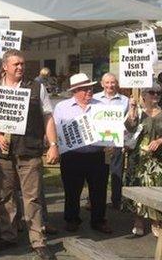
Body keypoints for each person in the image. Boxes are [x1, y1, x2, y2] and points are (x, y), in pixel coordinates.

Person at [0, 49, 59, 260]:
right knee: (5, 196)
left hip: (29, 150)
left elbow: (47, 117)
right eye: (16, 64)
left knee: (32, 198)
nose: (20, 67)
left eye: (22, 64)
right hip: (3, 152)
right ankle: (8, 235)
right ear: (5, 66)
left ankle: (38, 241)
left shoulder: (36, 87)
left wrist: (53, 144)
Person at [53, 73, 113, 235]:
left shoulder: (102, 106)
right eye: (85, 89)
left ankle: (98, 220)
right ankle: (72, 219)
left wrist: (112, 143)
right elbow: (55, 130)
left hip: (97, 155)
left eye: (90, 88)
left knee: (99, 190)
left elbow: (111, 129)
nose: (89, 92)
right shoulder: (61, 107)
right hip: (72, 156)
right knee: (72, 190)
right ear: (75, 91)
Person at [124, 84, 162, 237]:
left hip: (157, 160)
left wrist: (159, 141)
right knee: (138, 187)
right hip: (138, 158)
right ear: (144, 95)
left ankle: (156, 221)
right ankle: (138, 221)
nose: (155, 95)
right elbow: (130, 128)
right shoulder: (138, 112)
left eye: (158, 93)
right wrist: (132, 108)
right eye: (152, 92)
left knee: (157, 189)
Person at [92, 73, 129, 210]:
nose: (110, 85)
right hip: (98, 142)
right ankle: (93, 200)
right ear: (102, 84)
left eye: (112, 82)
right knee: (96, 173)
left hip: (116, 141)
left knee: (116, 173)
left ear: (117, 83)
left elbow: (129, 123)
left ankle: (116, 200)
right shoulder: (94, 99)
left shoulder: (125, 100)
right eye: (107, 83)